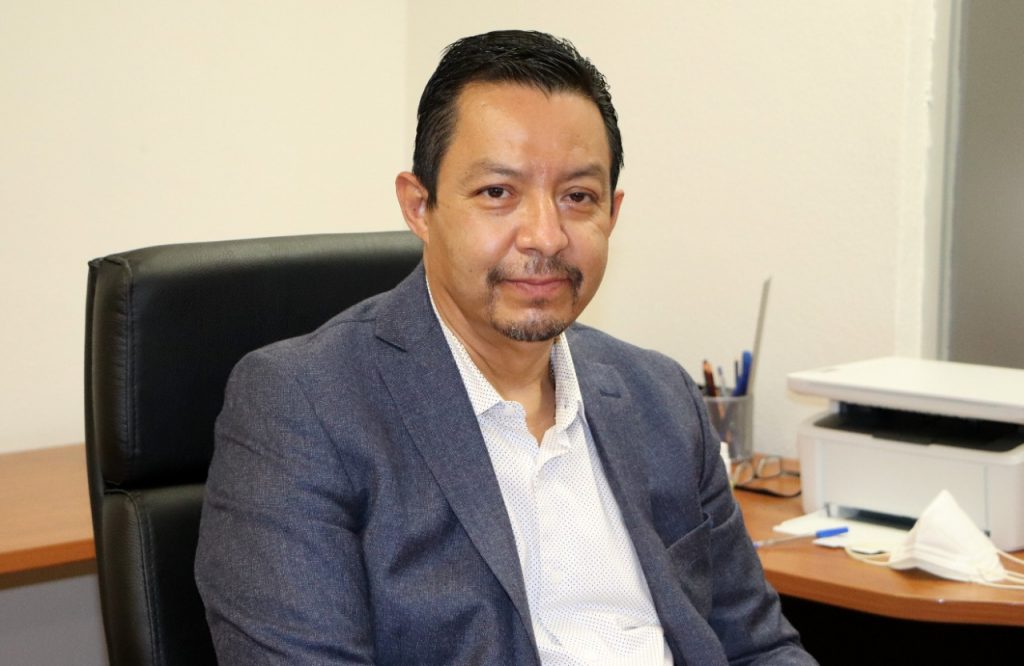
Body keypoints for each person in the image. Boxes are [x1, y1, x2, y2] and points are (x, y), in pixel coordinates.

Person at [195, 29, 816, 665]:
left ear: (612, 213)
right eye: (498, 193)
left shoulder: (661, 396)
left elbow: (758, 648)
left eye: (578, 197)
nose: (546, 236)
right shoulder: (304, 406)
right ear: (420, 206)